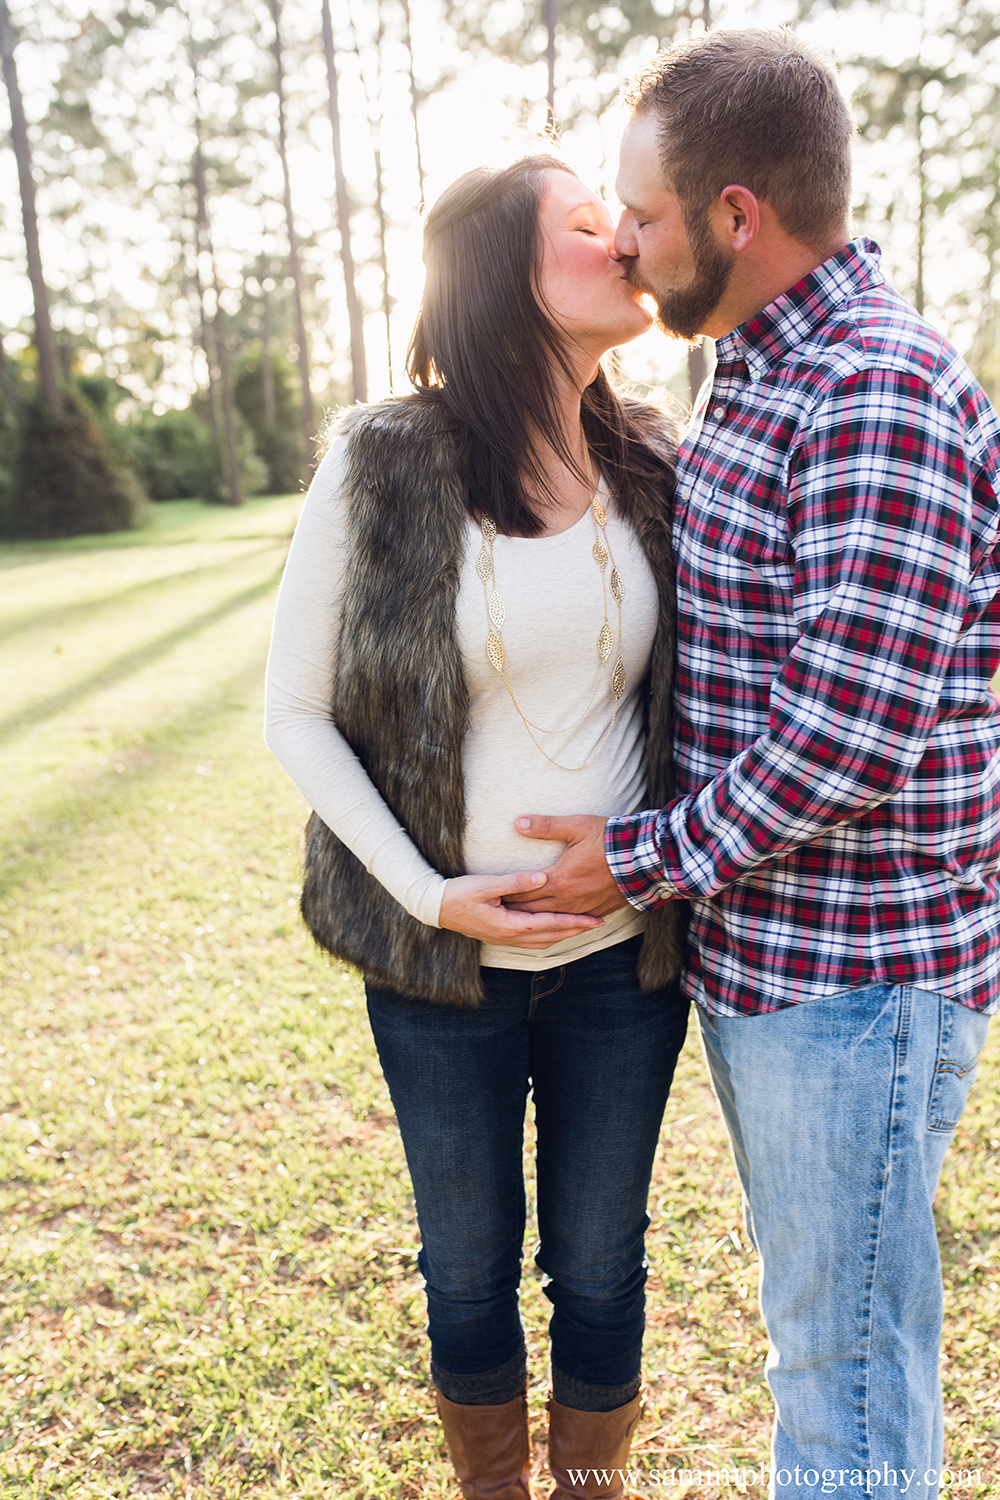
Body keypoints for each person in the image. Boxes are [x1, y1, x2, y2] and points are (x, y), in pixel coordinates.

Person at [506, 30, 1000, 1499]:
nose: (629, 244)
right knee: (831, 1342)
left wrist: (637, 858)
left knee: (841, 1368)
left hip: (856, 981)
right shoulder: (761, 378)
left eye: (645, 216)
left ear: (737, 214)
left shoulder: (872, 389)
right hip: (783, 965)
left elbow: (848, 733)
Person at [264, 156, 688, 1500]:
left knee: (604, 1265)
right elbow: (295, 712)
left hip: (623, 964)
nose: (624, 237)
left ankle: (587, 1488)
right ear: (504, 279)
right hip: (441, 975)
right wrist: (427, 893)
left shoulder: (656, 458)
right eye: (585, 222)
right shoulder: (383, 461)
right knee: (465, 1271)